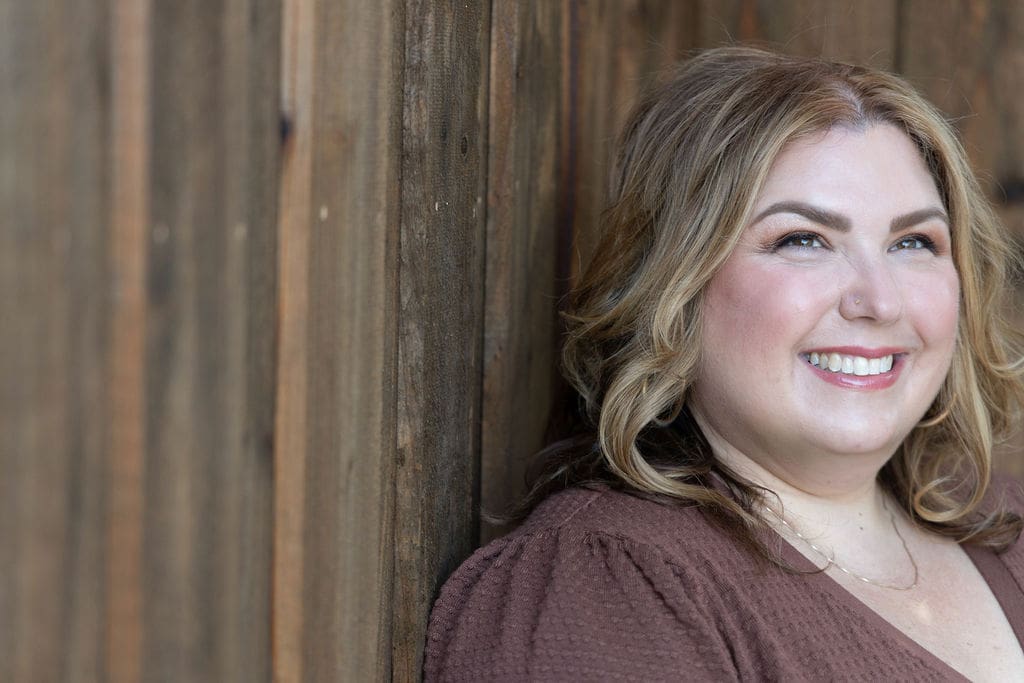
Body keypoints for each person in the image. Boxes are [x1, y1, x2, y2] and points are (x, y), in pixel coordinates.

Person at [424, 47, 1024, 681]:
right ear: (677, 288)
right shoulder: (610, 587)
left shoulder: (1004, 528)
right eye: (803, 240)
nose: (878, 300)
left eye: (913, 242)